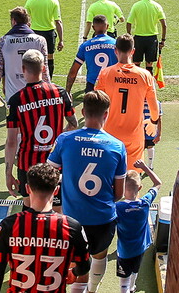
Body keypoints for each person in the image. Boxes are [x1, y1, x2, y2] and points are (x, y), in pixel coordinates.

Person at [48, 91, 127, 293]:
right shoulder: (118, 146)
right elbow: (119, 193)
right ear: (106, 114)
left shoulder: (65, 139)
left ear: (83, 112)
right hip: (102, 219)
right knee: (100, 255)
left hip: (72, 220)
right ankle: (93, 289)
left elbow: (48, 174)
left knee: (77, 266)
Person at [0, 163, 91, 293]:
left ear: (27, 188)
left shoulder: (8, 225)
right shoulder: (72, 227)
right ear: (56, 190)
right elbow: (84, 266)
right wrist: (74, 272)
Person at [5, 50, 76, 210]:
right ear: (44, 68)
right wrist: (58, 139)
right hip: (55, 164)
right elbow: (73, 124)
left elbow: (11, 142)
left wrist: (8, 174)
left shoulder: (16, 100)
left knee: (30, 209)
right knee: (57, 212)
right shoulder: (60, 93)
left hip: (27, 164)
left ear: (23, 69)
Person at [95, 34, 160, 171]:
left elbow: (96, 103)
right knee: (133, 178)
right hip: (134, 135)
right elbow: (154, 107)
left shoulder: (105, 74)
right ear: (133, 51)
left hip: (110, 133)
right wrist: (154, 121)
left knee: (109, 174)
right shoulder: (145, 75)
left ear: (115, 50)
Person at [115, 159, 162, 293]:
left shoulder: (118, 207)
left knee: (123, 278)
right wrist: (145, 167)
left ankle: (126, 289)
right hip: (140, 248)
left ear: (123, 189)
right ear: (140, 187)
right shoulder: (146, 202)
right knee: (135, 270)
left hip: (124, 251)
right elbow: (158, 183)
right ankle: (132, 288)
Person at [0, 7, 51, 105]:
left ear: (13, 21)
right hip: (35, 92)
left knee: (14, 119)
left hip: (13, 94)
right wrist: (48, 88)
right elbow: (45, 68)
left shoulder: (3, 41)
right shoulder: (40, 40)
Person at [67, 15, 117, 94]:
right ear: (107, 26)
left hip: (92, 86)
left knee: (91, 106)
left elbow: (73, 72)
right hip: (112, 84)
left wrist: (67, 91)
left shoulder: (85, 45)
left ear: (93, 28)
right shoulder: (116, 44)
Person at [25, 0, 64, 77]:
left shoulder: (30, 0)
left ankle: (33, 77)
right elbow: (58, 22)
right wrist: (61, 40)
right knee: (49, 58)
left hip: (34, 32)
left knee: (33, 56)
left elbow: (25, 19)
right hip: (48, 33)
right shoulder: (54, 1)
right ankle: (48, 80)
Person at [126, 0, 166, 73]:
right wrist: (163, 40)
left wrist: (129, 36)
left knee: (136, 63)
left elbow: (129, 22)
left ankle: (137, 83)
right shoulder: (157, 6)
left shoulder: (136, 5)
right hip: (152, 39)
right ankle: (149, 84)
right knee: (149, 64)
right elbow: (164, 25)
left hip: (139, 38)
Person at [143, 100, 162, 170]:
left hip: (150, 129)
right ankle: (145, 166)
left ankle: (150, 166)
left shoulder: (156, 103)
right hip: (140, 129)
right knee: (142, 148)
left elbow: (159, 118)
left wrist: (159, 134)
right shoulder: (139, 100)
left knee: (149, 146)